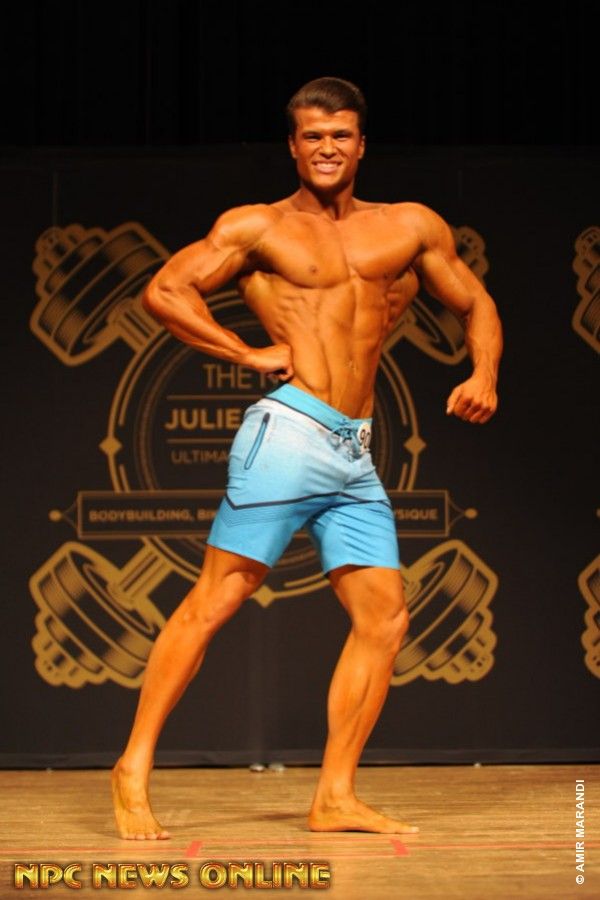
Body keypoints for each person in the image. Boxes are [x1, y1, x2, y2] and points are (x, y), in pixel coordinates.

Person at [111, 76, 503, 840]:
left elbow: (475, 302)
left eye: (341, 135)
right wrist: (242, 350)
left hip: (354, 450)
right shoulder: (259, 226)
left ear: (362, 144)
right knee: (217, 598)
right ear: (293, 147)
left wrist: (483, 372)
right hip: (289, 431)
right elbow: (166, 290)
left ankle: (334, 796)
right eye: (313, 137)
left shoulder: (409, 226)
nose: (328, 148)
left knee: (384, 618)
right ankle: (131, 767)